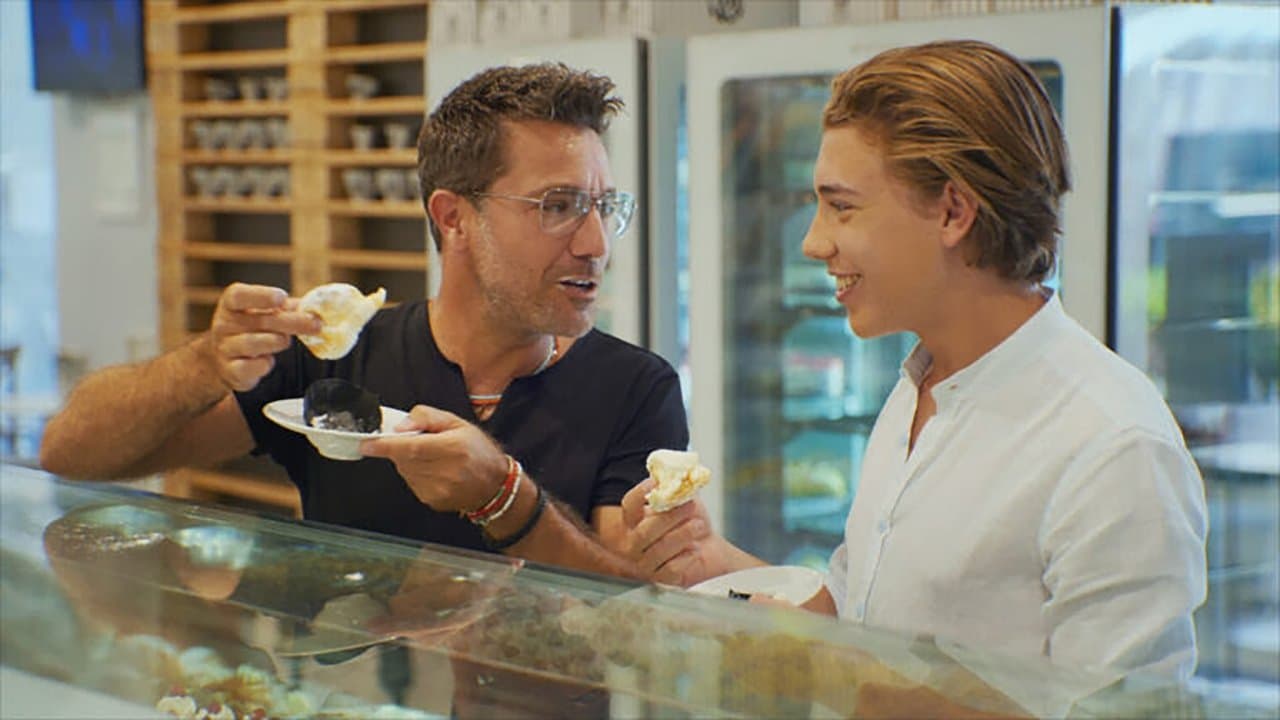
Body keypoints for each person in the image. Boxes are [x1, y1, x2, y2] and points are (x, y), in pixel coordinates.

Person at [621, 40, 1207, 682]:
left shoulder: (1114, 445)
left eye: (841, 206)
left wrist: (828, 675)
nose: (814, 242)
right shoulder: (918, 388)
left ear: (953, 212)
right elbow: (858, 617)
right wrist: (714, 565)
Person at [40, 63, 688, 579]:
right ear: (454, 219)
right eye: (559, 206)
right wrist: (203, 363)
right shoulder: (337, 361)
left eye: (604, 207)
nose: (596, 243)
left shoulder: (636, 389)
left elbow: (632, 618)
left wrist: (503, 496)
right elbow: (71, 454)